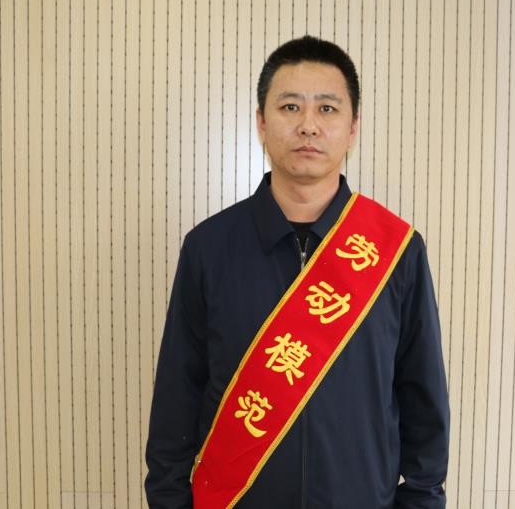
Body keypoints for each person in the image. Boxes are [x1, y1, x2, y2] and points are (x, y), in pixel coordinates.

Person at [145, 35, 449, 508]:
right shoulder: (209, 247)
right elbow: (177, 396)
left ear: (353, 127)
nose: (308, 125)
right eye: (290, 107)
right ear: (262, 123)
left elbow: (423, 399)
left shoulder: (396, 250)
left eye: (327, 108)